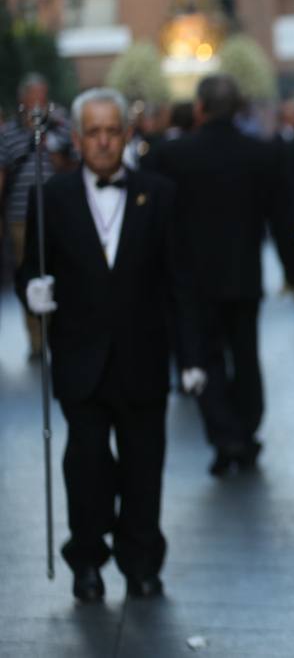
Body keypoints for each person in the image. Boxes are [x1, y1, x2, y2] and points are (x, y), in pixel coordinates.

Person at [18, 88, 201, 603]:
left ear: (127, 134)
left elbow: (179, 281)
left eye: (111, 131)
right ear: (76, 139)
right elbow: (31, 268)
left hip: (143, 358)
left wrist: (191, 358)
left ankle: (142, 563)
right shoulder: (49, 198)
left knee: (145, 468)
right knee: (87, 466)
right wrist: (33, 292)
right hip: (80, 360)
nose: (102, 141)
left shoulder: (160, 194)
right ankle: (87, 561)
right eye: (92, 132)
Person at [150, 74, 294, 476]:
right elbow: (281, 218)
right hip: (243, 276)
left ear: (200, 108)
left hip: (193, 281)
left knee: (205, 360)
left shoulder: (174, 156)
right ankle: (243, 432)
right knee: (246, 356)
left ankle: (225, 435)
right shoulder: (262, 153)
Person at [0, 73, 61, 358]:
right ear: (23, 100)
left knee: (60, 272)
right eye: (34, 96)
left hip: (58, 214)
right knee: (28, 275)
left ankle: (57, 333)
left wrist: (53, 139)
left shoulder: (60, 127)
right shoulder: (8, 134)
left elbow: (73, 164)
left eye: (43, 96)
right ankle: (36, 339)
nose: (40, 102)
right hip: (19, 218)